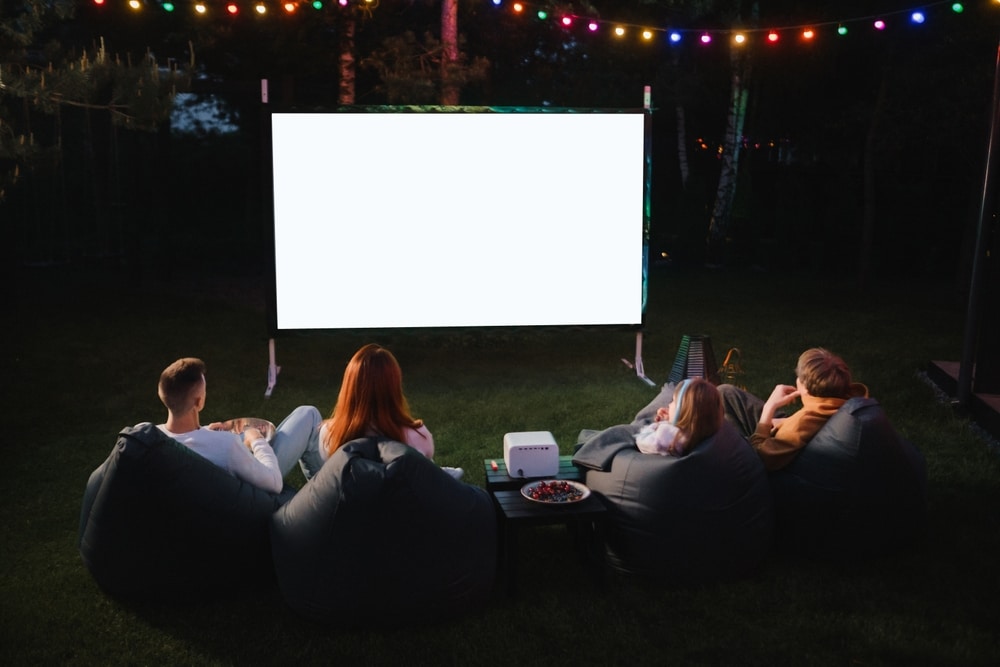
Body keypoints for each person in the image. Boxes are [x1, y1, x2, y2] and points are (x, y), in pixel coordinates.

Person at [155, 357, 324, 494]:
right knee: (308, 415)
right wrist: (257, 440)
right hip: (248, 491)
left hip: (205, 491)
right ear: (199, 402)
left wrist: (205, 431)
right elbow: (274, 483)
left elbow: (189, 442)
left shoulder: (153, 437)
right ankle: (328, 496)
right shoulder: (226, 446)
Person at [320, 343, 463, 479]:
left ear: (349, 387)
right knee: (427, 465)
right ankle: (442, 475)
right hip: (402, 500)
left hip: (352, 501)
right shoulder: (417, 435)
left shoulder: (329, 434)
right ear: (394, 389)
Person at [718, 347, 869, 471]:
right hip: (796, 430)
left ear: (804, 388)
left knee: (723, 422)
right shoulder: (850, 400)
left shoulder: (800, 426)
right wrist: (784, 421)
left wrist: (768, 411)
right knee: (727, 393)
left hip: (766, 459)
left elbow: (758, 458)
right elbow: (812, 419)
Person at [634, 377, 724, 457]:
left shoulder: (667, 437)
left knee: (641, 418)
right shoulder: (702, 432)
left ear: (682, 412)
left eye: (673, 401)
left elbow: (641, 440)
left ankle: (670, 386)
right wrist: (669, 419)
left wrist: (657, 425)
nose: (669, 404)